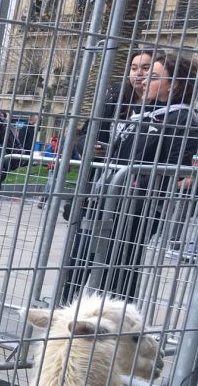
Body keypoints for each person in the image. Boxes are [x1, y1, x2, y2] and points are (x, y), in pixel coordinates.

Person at [61, 52, 198, 303]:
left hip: (136, 208)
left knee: (119, 271)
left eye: (152, 75)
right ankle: (64, 315)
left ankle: (120, 329)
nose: (143, 79)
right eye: (138, 70)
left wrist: (131, 182)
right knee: (82, 263)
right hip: (108, 202)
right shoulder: (141, 112)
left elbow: (171, 170)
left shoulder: (182, 119)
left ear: (175, 84)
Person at [59, 51, 155, 283]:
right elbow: (84, 136)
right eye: (133, 67)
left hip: (131, 201)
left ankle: (112, 315)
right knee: (78, 259)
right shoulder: (116, 97)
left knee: (120, 270)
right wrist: (91, 147)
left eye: (145, 68)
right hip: (98, 191)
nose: (138, 73)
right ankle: (68, 309)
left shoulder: (165, 108)